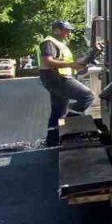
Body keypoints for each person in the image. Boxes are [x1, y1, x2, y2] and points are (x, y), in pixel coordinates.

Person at [38, 19, 95, 147]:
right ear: (57, 30)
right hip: (57, 78)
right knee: (87, 96)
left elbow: (66, 62)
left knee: (58, 110)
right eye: (67, 30)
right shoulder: (49, 43)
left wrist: (77, 65)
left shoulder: (59, 43)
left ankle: (52, 140)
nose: (69, 33)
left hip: (57, 77)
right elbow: (48, 61)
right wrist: (71, 64)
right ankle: (69, 126)